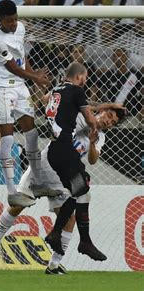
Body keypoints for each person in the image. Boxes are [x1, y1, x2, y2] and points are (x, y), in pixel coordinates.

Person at [0, 103, 125, 273]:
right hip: (42, 166)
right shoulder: (79, 116)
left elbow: (93, 160)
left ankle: (54, 265)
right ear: (100, 112)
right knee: (17, 206)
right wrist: (100, 109)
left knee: (69, 219)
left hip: (61, 177)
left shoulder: (100, 137)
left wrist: (92, 143)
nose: (109, 122)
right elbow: (76, 106)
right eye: (109, 116)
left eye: (113, 123)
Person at [0, 0, 49, 207]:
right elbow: (12, 67)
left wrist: (32, 76)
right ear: (0, 20)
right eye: (9, 21)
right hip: (2, 88)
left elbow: (21, 56)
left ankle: (38, 182)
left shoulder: (20, 27)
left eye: (15, 19)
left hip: (20, 86)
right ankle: (12, 191)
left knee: (32, 133)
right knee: (8, 137)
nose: (13, 24)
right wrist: (34, 78)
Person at [43, 62, 106, 261]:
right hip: (63, 149)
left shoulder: (56, 90)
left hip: (54, 149)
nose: (85, 81)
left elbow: (43, 103)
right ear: (79, 76)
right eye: (85, 77)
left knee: (79, 191)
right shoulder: (76, 90)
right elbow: (89, 118)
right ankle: (82, 241)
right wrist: (96, 127)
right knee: (83, 186)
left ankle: (59, 234)